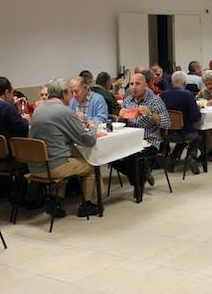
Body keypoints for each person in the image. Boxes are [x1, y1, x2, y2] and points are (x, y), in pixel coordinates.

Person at [28, 78, 99, 218]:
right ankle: (87, 204)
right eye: (70, 92)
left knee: (65, 158)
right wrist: (94, 129)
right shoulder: (64, 111)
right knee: (90, 166)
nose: (72, 96)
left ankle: (54, 201)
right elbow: (88, 140)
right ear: (64, 93)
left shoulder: (38, 110)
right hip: (53, 167)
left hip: (35, 166)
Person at [113, 73, 170, 200]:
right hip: (129, 140)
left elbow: (167, 122)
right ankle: (140, 176)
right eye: (132, 84)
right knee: (111, 157)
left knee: (134, 157)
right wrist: (120, 116)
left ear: (145, 85)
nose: (134, 87)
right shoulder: (127, 100)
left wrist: (150, 114)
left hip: (149, 140)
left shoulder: (155, 100)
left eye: (137, 84)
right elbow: (121, 124)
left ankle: (138, 186)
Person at [159, 71, 201, 174]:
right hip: (185, 134)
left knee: (182, 136)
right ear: (185, 83)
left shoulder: (162, 95)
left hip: (166, 135)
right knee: (198, 135)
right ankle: (191, 156)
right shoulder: (188, 95)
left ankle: (173, 158)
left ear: (172, 82)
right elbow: (195, 117)